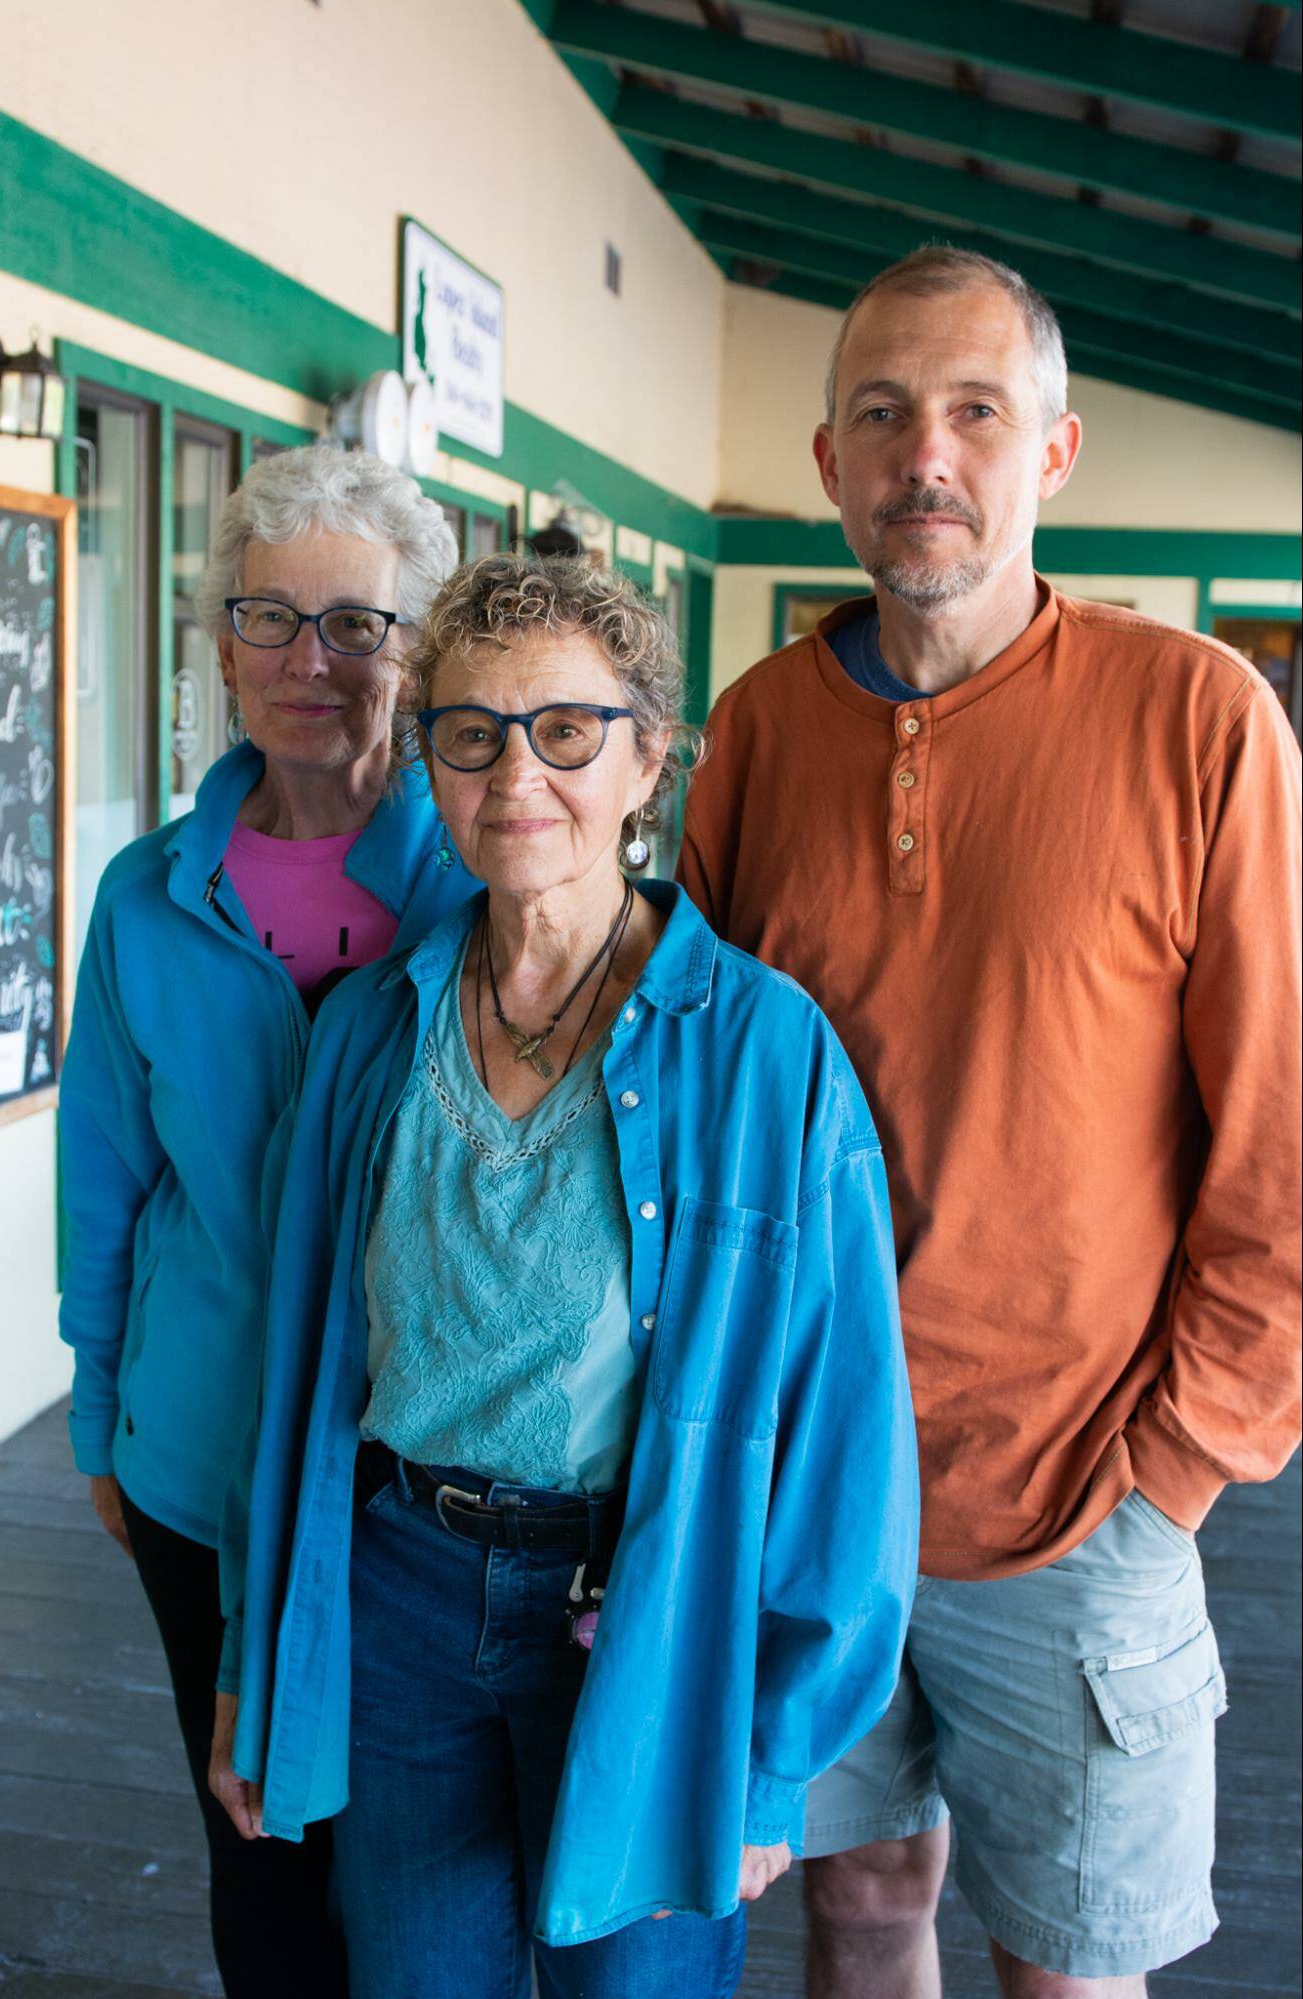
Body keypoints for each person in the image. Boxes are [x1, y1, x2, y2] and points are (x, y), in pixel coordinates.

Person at [678, 246, 1302, 1999]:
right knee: (858, 1909)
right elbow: (700, 1113)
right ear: (826, 461)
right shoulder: (751, 738)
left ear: (1054, 452)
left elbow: (1280, 1146)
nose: (922, 455)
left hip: (1082, 1502)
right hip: (808, 1489)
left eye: (971, 411)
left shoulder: (1198, 722)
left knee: (1067, 1968)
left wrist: (1175, 1470)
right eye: (879, 415)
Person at [207, 553, 920, 1999]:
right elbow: (290, 1379)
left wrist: (770, 1755)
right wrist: (254, 1658)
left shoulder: (762, 1053)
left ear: (649, 756)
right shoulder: (369, 1030)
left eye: (567, 731)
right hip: (400, 1596)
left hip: (650, 1623)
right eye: (469, 732)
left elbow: (844, 1431)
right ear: (429, 762)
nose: (514, 773)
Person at [58, 444, 474, 1996]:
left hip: (422, 1485)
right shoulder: (146, 896)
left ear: (418, 650)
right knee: (256, 1850)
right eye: (269, 618)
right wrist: (98, 1419)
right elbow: (104, 1177)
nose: (312, 661)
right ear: (219, 645)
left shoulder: (484, 886)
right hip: (197, 1458)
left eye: (359, 624)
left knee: (422, 1867)